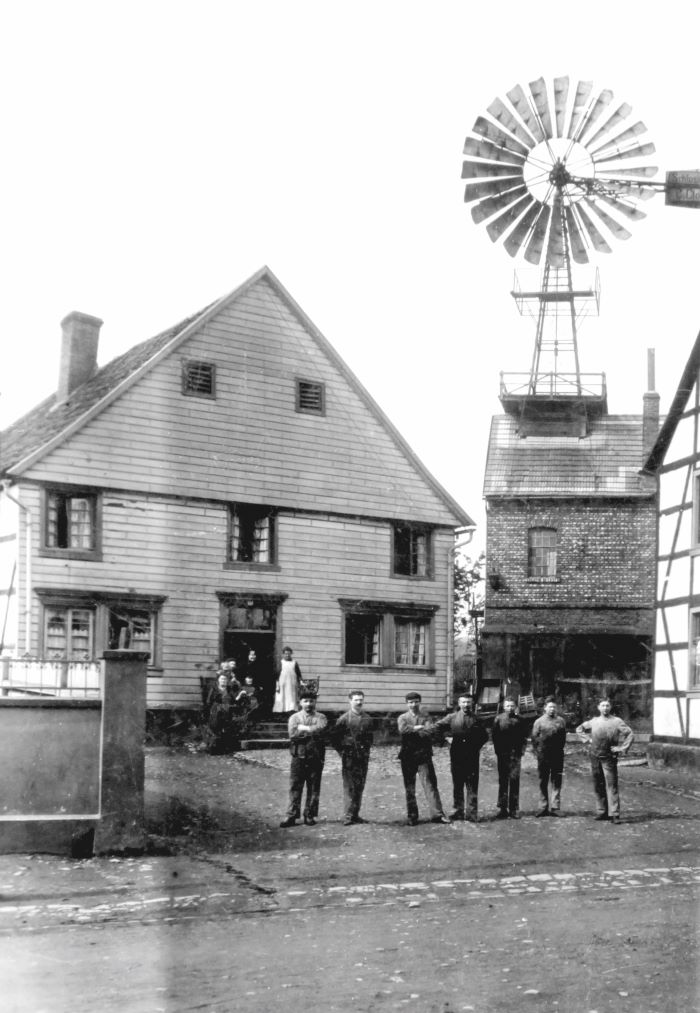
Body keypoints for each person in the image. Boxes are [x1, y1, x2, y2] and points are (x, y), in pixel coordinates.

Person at [576, 698, 634, 824]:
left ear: (611, 707)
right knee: (598, 784)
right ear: (598, 707)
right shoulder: (594, 721)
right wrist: (588, 740)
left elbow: (630, 734)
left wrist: (621, 748)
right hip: (595, 756)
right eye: (602, 705)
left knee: (611, 785)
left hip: (609, 757)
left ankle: (615, 814)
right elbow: (579, 729)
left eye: (607, 705)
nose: (605, 708)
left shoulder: (617, 721)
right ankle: (602, 811)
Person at [397, 692, 450, 825]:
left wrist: (415, 730)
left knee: (430, 785)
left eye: (416, 702)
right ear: (406, 704)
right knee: (410, 787)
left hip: (423, 756)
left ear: (420, 702)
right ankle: (412, 816)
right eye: (410, 702)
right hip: (407, 756)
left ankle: (437, 814)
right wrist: (417, 728)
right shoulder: (402, 717)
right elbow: (403, 730)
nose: (413, 705)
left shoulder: (426, 716)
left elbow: (429, 731)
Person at [436, 694, 488, 822]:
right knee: (458, 784)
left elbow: (484, 736)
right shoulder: (451, 717)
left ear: (472, 703)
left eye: (469, 702)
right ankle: (458, 811)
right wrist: (446, 738)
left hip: (472, 756)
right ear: (459, 703)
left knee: (472, 785)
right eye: (464, 702)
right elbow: (438, 727)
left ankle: (472, 813)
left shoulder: (477, 719)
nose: (466, 705)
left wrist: (475, 745)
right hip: (457, 756)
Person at [279, 690, 328, 828]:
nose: (309, 704)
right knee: (295, 785)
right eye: (305, 701)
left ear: (315, 702)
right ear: (300, 702)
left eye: (311, 701)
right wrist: (310, 731)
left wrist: (304, 729)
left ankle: (309, 815)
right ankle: (291, 815)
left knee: (313, 787)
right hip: (298, 756)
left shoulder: (321, 717)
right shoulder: (294, 718)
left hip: (315, 757)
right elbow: (293, 734)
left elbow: (321, 730)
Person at [331, 690, 374, 825]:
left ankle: (355, 814)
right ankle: (348, 816)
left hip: (363, 756)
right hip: (349, 756)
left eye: (361, 699)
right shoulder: (344, 719)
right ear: (350, 701)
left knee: (360, 785)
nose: (359, 702)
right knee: (349, 785)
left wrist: (366, 751)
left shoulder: (368, 719)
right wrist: (342, 752)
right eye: (356, 700)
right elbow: (334, 738)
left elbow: (370, 738)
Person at [491, 697, 528, 819]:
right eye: (507, 706)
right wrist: (498, 752)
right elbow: (494, 737)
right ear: (503, 706)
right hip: (502, 754)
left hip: (515, 755)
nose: (510, 708)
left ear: (515, 707)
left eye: (512, 706)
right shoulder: (498, 719)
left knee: (514, 781)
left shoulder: (521, 720)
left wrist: (521, 752)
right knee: (503, 781)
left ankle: (513, 809)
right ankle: (502, 809)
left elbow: (524, 738)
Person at [531, 697, 567, 816]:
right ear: (545, 708)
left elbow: (563, 738)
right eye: (550, 707)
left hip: (557, 754)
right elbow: (534, 739)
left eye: (554, 707)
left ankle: (555, 807)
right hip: (543, 755)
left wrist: (559, 749)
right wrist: (538, 752)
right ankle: (543, 806)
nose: (552, 709)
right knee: (543, 780)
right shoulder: (539, 722)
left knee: (556, 780)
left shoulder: (561, 721)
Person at [205, 671, 237, 754]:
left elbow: (233, 701)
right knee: (215, 729)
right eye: (222, 679)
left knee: (226, 729)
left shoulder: (229, 690)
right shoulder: (214, 689)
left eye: (225, 679)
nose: (223, 681)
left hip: (227, 711)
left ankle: (223, 749)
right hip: (216, 711)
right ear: (218, 680)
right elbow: (208, 701)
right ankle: (213, 749)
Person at [273, 646, 302, 714]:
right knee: (281, 696)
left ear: (291, 654)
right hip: (283, 683)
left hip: (292, 683)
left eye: (289, 653)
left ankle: (291, 709)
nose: (287, 655)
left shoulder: (294, 663)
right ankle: (281, 710)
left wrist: (300, 681)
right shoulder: (281, 662)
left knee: (291, 696)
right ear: (283, 654)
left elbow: (298, 674)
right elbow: (277, 674)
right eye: (286, 653)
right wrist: (277, 685)